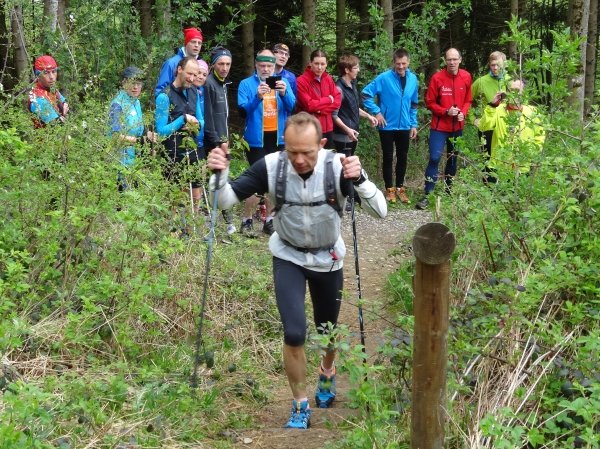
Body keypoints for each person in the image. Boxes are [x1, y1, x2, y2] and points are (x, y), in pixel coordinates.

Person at [207, 112, 387, 429]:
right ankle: (300, 404)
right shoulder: (271, 166)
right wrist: (218, 175)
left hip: (328, 258)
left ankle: (327, 369)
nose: (300, 160)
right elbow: (223, 201)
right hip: (288, 255)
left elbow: (380, 212)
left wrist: (360, 181)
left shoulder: (338, 167)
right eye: (293, 152)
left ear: (321, 144)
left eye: (307, 152)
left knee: (327, 330)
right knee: (294, 332)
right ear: (284, 146)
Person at [237, 49, 296, 236]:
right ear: (256, 64)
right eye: (262, 66)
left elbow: (292, 107)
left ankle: (269, 221)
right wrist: (257, 97)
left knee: (274, 182)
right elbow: (242, 112)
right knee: (259, 181)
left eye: (269, 66)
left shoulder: (282, 82)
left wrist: (285, 93)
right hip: (256, 141)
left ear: (274, 66)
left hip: (277, 138)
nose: (265, 69)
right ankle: (246, 220)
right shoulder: (246, 84)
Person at [416, 48, 472, 210]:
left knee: (453, 159)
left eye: (455, 59)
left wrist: (463, 113)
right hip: (439, 127)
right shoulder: (437, 78)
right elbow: (430, 103)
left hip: (458, 127)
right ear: (445, 61)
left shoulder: (466, 76)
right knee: (434, 157)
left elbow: (468, 100)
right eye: (449, 59)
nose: (452, 62)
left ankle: (449, 192)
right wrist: (446, 111)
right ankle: (428, 194)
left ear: (460, 60)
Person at [362, 48, 419, 204]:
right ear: (393, 62)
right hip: (386, 125)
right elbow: (365, 94)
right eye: (398, 63)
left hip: (405, 125)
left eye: (404, 64)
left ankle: (400, 188)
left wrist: (413, 124)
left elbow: (414, 103)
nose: (401, 67)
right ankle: (389, 189)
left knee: (402, 157)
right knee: (388, 157)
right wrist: (377, 112)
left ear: (408, 62)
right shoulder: (384, 78)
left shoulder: (413, 79)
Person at [155, 56, 204, 218]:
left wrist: (197, 124)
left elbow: (201, 120)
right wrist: (182, 119)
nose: (191, 78)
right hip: (172, 154)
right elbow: (160, 132)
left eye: (195, 75)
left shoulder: (194, 92)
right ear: (179, 70)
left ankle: (192, 233)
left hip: (192, 149)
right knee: (174, 199)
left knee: (195, 195)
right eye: (189, 74)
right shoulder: (164, 96)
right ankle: (172, 235)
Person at [477, 79, 545, 174]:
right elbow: (483, 127)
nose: (513, 93)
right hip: (499, 168)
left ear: (524, 93)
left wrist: (528, 154)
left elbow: (539, 139)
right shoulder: (497, 109)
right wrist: (492, 105)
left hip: (521, 169)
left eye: (517, 90)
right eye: (510, 90)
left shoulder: (533, 113)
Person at [108, 66, 156, 191]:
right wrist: (140, 140)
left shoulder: (136, 101)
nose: (136, 87)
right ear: (123, 83)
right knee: (123, 200)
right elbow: (115, 136)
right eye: (132, 83)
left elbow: (138, 126)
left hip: (135, 159)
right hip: (120, 160)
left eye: (139, 83)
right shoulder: (117, 105)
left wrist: (148, 134)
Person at [204, 46, 235, 235]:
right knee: (215, 179)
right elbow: (208, 116)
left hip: (223, 139)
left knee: (224, 179)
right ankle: (213, 220)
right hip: (214, 141)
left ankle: (226, 220)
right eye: (221, 63)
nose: (225, 67)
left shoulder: (223, 83)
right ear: (213, 64)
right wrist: (217, 141)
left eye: (228, 64)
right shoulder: (209, 84)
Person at [468, 51, 510, 183]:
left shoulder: (510, 81)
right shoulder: (481, 82)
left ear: (505, 64)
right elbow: (466, 100)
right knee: (488, 159)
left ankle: (507, 190)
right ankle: (489, 191)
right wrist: (472, 119)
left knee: (507, 158)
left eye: (498, 65)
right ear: (489, 65)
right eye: (493, 65)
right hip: (487, 126)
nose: (496, 68)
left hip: (506, 126)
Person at [296, 49, 341, 149]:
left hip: (328, 128)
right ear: (310, 63)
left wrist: (321, 110)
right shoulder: (301, 81)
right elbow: (309, 105)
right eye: (316, 63)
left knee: (326, 161)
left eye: (322, 64)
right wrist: (329, 100)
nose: (319, 67)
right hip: (309, 129)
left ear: (326, 64)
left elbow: (337, 101)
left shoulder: (328, 78)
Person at [155, 28, 203, 97]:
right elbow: (159, 91)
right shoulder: (171, 63)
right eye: (193, 42)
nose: (196, 45)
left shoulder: (201, 64)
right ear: (186, 43)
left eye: (199, 43)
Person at [28, 55, 69, 128]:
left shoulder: (50, 88)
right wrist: (63, 114)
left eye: (54, 72)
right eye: (46, 73)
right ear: (38, 76)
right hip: (46, 138)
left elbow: (65, 103)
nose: (51, 77)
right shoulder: (37, 99)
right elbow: (57, 126)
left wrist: (65, 105)